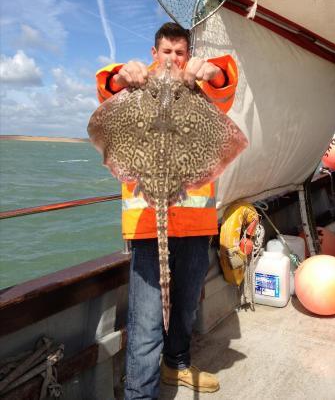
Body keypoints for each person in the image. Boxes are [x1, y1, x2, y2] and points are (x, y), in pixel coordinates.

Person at [96, 22, 238, 399]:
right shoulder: (136, 86)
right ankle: (140, 394)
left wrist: (212, 71)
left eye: (180, 52)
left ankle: (176, 366)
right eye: (166, 51)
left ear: (187, 56)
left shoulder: (200, 87)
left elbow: (226, 85)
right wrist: (119, 76)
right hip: (147, 225)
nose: (173, 59)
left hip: (195, 223)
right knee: (145, 324)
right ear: (153, 53)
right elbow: (107, 88)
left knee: (186, 306)